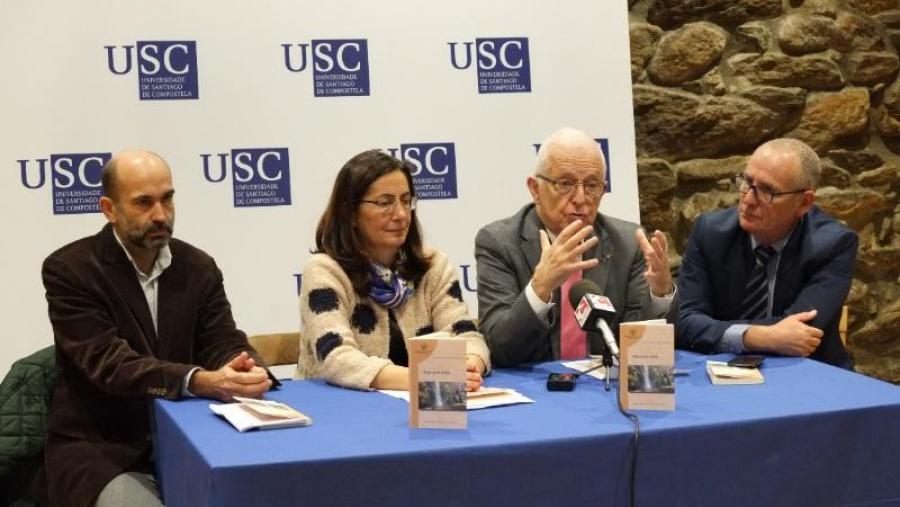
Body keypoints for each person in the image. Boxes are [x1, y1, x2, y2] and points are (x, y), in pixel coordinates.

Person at [41, 149, 272, 507]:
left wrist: (244, 366)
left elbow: (220, 339)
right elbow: (111, 365)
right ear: (109, 209)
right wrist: (199, 380)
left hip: (194, 439)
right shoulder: (71, 270)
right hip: (105, 450)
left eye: (167, 199)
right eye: (143, 203)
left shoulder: (198, 267)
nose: (160, 215)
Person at [475, 127, 676, 367]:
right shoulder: (499, 242)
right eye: (566, 183)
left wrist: (661, 293)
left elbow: (640, 347)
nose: (580, 198)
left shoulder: (628, 242)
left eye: (591, 185)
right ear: (535, 189)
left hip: (602, 385)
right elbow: (501, 348)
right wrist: (541, 286)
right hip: (535, 388)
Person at [296, 149, 490, 391]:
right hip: (342, 412)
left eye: (406, 201)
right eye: (384, 203)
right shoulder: (325, 271)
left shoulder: (433, 265)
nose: (400, 214)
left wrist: (469, 367)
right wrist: (427, 379)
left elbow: (466, 336)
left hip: (423, 407)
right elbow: (338, 360)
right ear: (350, 212)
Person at [676, 138, 858, 368]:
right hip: (723, 367)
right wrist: (758, 337)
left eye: (767, 191)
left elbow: (802, 331)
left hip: (807, 371)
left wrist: (716, 329)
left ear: (804, 203)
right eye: (746, 182)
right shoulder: (710, 233)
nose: (748, 200)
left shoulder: (834, 244)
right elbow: (684, 321)